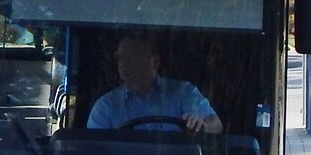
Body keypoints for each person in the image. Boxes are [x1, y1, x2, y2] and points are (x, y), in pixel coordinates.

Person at [87, 33, 223, 134]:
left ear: (155, 62)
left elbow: (215, 124)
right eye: (121, 58)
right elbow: (95, 151)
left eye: (134, 57)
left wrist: (202, 126)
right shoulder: (105, 106)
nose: (124, 64)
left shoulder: (183, 92)